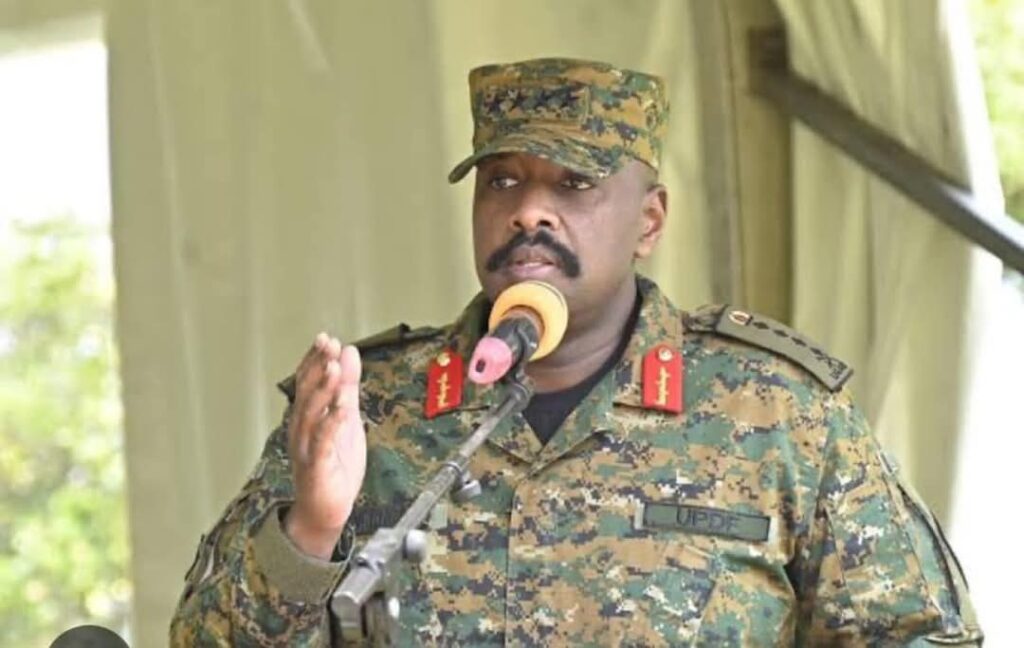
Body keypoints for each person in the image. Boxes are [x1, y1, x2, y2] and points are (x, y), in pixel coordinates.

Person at [170, 58, 982, 646]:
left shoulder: (779, 413)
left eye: (574, 184)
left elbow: (921, 634)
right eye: (502, 181)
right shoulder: (368, 409)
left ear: (649, 222)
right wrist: (310, 531)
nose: (530, 212)